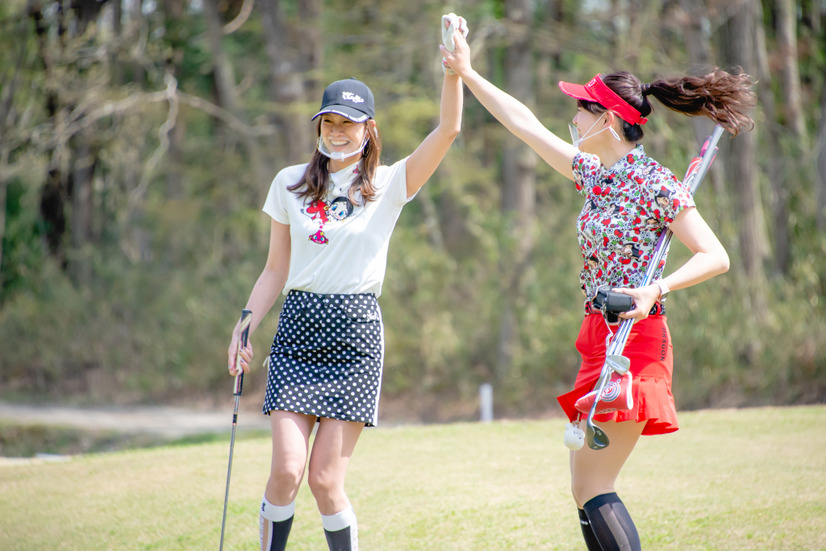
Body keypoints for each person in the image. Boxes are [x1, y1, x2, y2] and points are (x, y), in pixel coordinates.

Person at [441, 27, 754, 551]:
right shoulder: (595, 174)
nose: (574, 121)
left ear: (605, 118)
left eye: (581, 111)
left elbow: (716, 256)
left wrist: (657, 288)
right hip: (597, 335)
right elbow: (526, 126)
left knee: (593, 485)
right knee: (582, 485)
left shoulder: (656, 182)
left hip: (635, 339)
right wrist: (468, 73)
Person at [226, 54, 463, 551]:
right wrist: (245, 324)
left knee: (325, 482)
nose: (337, 131)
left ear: (368, 129)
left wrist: (451, 71)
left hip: (355, 336)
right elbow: (274, 269)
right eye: (329, 121)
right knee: (287, 471)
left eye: (349, 123)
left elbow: (447, 129)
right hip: (297, 331)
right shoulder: (289, 183)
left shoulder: (390, 184)